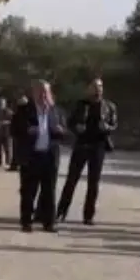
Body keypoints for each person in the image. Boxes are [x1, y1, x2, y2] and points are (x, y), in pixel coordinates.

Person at [56, 78, 118, 225]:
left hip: (98, 146)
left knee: (93, 182)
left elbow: (114, 124)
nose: (98, 89)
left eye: (100, 86)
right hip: (82, 144)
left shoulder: (109, 106)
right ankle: (61, 212)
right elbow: (70, 122)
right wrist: (77, 127)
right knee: (72, 180)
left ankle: (88, 215)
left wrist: (107, 128)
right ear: (88, 89)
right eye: (95, 86)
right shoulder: (81, 105)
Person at [12, 80, 66, 232]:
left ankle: (49, 223)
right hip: (31, 156)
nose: (43, 95)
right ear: (34, 93)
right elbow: (14, 130)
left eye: (46, 92)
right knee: (28, 191)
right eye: (40, 91)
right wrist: (27, 130)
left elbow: (64, 133)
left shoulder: (56, 111)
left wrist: (61, 131)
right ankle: (26, 222)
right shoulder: (24, 110)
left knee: (49, 191)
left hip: (49, 156)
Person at [8, 94, 29, 172]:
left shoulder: (18, 114)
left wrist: (12, 133)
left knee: (16, 151)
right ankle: (17, 165)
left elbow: (13, 124)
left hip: (20, 135)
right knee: (18, 151)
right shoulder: (25, 113)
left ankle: (16, 165)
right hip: (22, 135)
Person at [0, 97, 13, 167]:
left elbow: (12, 121)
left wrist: (3, 122)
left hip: (6, 133)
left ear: (5, 104)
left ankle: (8, 161)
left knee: (7, 148)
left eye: (2, 103)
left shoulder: (8, 112)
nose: (0, 105)